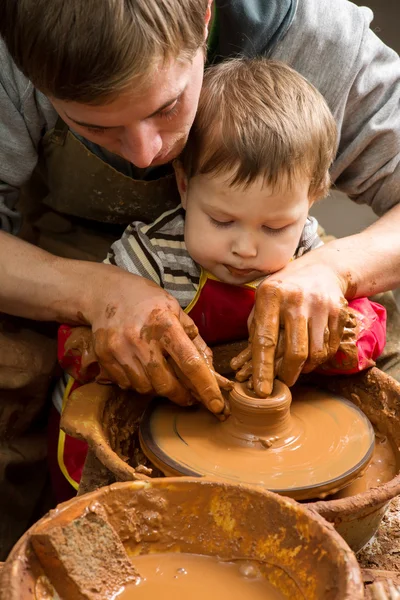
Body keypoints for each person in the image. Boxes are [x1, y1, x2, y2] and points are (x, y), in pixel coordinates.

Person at [0, 0, 399, 555]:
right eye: (94, 125)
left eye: (166, 109)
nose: (148, 155)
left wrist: (336, 268)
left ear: (206, 19)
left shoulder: (314, 34)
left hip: (292, 266)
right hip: (70, 258)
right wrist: (91, 292)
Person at [54, 58, 386, 500]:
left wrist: (340, 341)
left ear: (311, 202)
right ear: (185, 185)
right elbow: (78, 346)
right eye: (221, 220)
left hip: (267, 448)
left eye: (273, 228)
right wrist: (112, 358)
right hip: (161, 430)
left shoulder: (310, 250)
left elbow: (367, 328)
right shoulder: (147, 257)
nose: (246, 248)